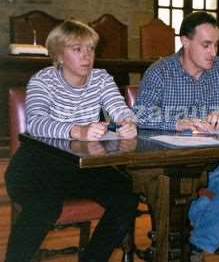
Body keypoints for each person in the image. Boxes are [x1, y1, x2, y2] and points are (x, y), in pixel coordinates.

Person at [5, 19, 139, 262]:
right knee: (44, 207)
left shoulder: (101, 78)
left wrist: (128, 123)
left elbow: (121, 109)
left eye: (90, 49)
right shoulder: (42, 80)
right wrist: (77, 130)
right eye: (77, 49)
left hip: (80, 167)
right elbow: (35, 123)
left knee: (127, 197)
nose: (87, 56)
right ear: (59, 54)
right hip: (35, 166)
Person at [133, 11, 219, 257]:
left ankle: (197, 245)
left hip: (214, 160)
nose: (213, 53)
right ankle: (184, 237)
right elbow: (140, 115)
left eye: (216, 45)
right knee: (180, 195)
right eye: (206, 45)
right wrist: (177, 122)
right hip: (169, 163)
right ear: (185, 41)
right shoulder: (161, 71)